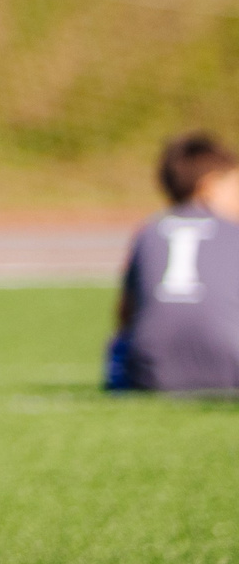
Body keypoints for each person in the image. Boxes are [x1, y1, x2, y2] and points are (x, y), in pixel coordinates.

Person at [105, 131, 239, 393]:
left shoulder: (149, 230)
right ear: (209, 186)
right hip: (231, 371)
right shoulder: (233, 230)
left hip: (153, 375)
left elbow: (125, 313)